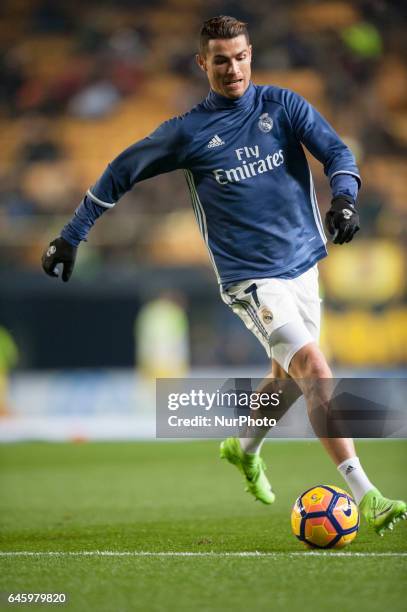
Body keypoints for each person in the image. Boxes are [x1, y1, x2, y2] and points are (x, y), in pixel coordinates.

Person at [42, 15, 406, 535]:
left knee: (286, 379)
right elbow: (120, 171)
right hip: (250, 279)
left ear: (251, 55)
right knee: (315, 371)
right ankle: (366, 494)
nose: (232, 69)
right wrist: (71, 234)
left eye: (239, 57)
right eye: (220, 60)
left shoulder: (282, 106)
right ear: (202, 64)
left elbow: (337, 152)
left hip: (305, 267)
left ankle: (243, 446)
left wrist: (345, 199)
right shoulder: (188, 132)